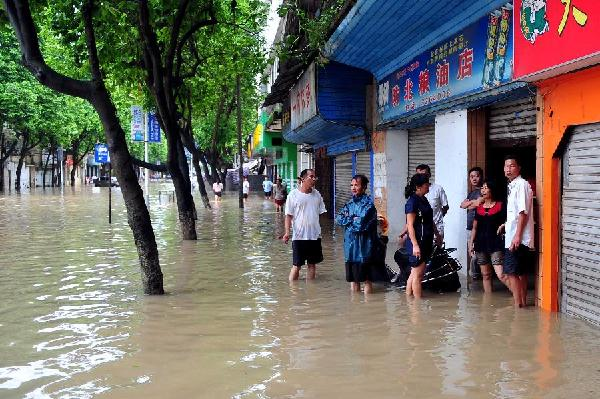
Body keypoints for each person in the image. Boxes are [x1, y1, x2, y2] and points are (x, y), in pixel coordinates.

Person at [500, 155, 535, 308]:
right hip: (516, 235)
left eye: (512, 166)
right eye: (506, 166)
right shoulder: (513, 185)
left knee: (511, 272)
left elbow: (523, 212)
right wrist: (506, 225)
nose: (508, 169)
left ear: (519, 168)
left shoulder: (521, 184)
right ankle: (522, 304)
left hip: (518, 238)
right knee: (520, 272)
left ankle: (518, 306)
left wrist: (517, 236)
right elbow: (516, 213)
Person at [335, 174, 378, 294]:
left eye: (356, 185)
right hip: (350, 248)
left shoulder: (369, 205)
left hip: (365, 248)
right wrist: (352, 219)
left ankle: (367, 308)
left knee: (367, 280)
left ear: (364, 187)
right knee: (353, 280)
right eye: (351, 185)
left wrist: (350, 219)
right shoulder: (349, 204)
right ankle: (356, 306)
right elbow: (338, 219)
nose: (353, 188)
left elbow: (360, 225)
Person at [282, 169, 327, 281]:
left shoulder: (317, 195)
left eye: (314, 177)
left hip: (315, 236)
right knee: (296, 265)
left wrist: (321, 231)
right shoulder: (293, 195)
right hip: (299, 236)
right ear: (302, 179)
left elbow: (321, 214)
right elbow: (288, 216)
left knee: (312, 265)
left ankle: (310, 293)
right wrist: (287, 232)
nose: (314, 179)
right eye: (311, 176)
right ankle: (293, 292)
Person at [404, 173, 442, 298]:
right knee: (418, 275)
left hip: (426, 241)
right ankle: (417, 308)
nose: (429, 187)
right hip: (417, 242)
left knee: (414, 273)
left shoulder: (424, 199)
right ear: (418, 187)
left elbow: (429, 220)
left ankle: (409, 300)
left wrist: (437, 234)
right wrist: (415, 245)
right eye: (426, 185)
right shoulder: (412, 202)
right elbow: (410, 225)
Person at [469, 179, 510, 293]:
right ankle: (488, 302)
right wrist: (470, 244)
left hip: (496, 243)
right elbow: (475, 228)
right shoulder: (479, 208)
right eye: (482, 188)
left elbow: (510, 221)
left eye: (486, 188)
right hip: (480, 244)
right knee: (486, 275)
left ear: (492, 190)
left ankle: (517, 297)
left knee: (501, 274)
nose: (483, 190)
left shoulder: (501, 206)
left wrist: (504, 225)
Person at [461, 167, 484, 279]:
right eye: (471, 177)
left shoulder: (484, 191)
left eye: (477, 176)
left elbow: (479, 203)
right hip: (470, 228)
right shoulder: (472, 193)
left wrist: (469, 204)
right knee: (472, 253)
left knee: (477, 254)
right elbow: (462, 205)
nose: (474, 179)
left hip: (480, 228)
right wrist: (472, 203)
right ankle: (475, 278)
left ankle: (477, 276)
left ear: (481, 176)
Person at [416, 164, 449, 240]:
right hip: (420, 229)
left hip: (436, 227)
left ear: (429, 175)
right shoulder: (415, 191)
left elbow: (445, 206)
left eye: (424, 174)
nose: (422, 177)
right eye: (419, 175)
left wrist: (439, 217)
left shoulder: (438, 189)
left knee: (434, 251)